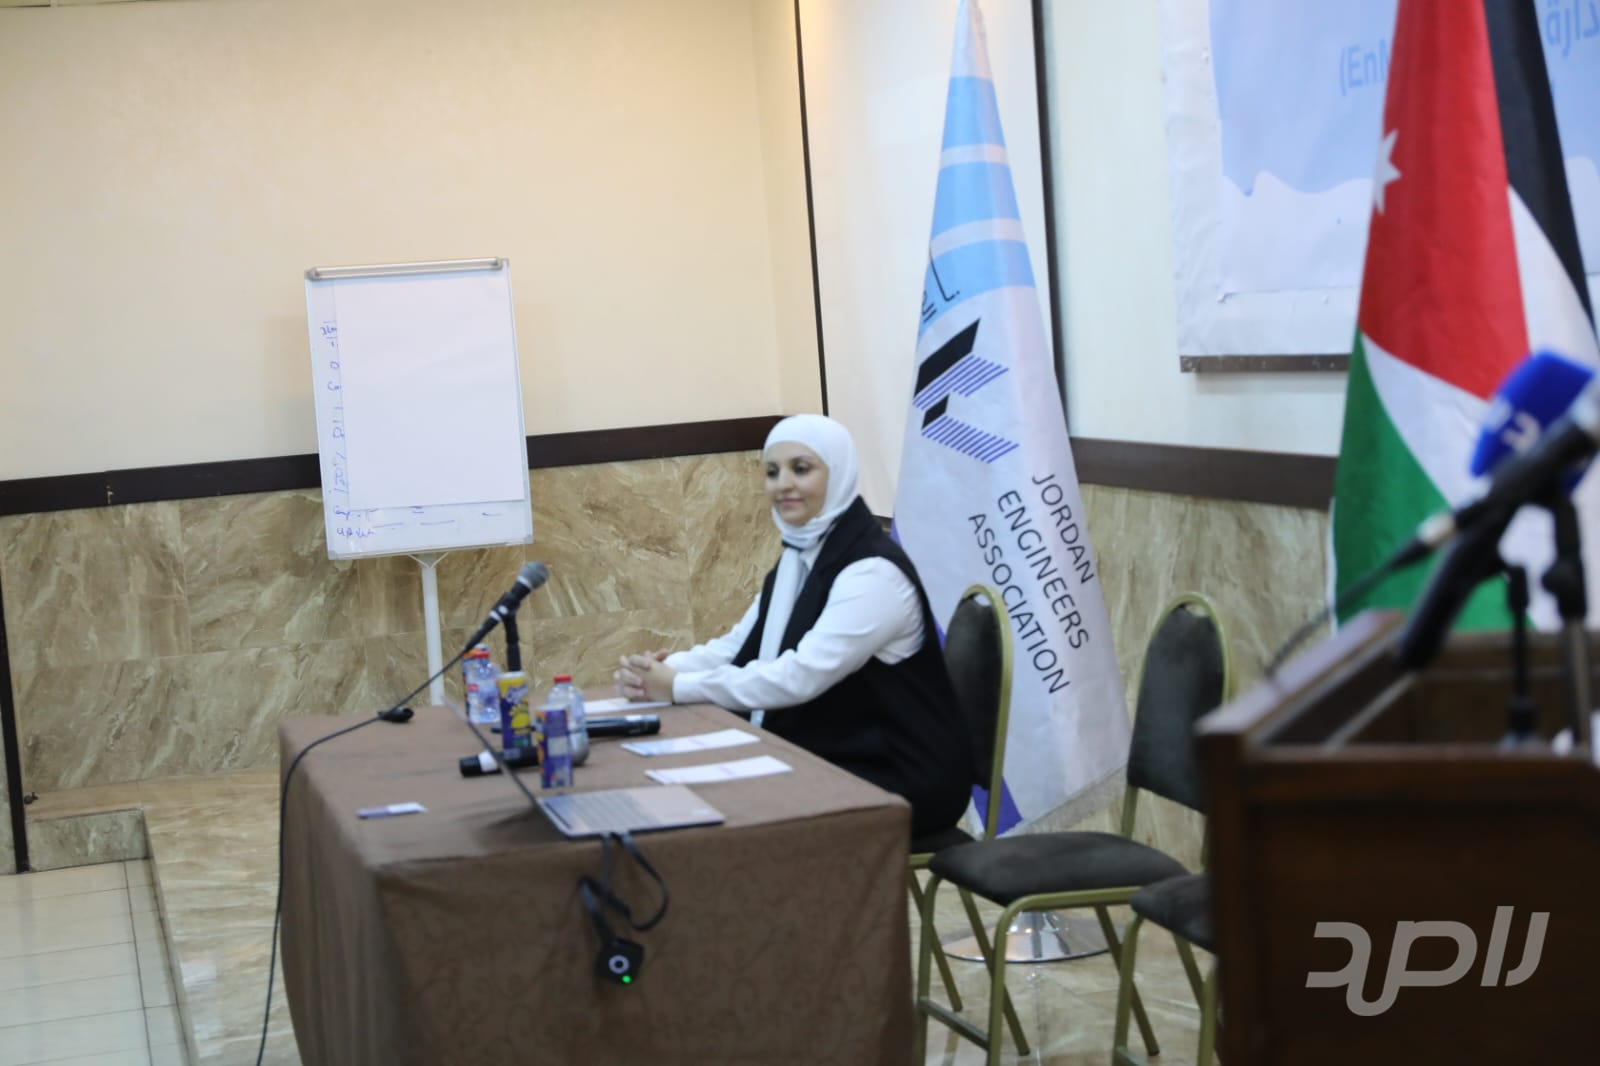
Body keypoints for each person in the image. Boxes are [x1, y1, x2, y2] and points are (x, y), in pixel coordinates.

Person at [615, 414, 980, 838]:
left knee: (725, 808)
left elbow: (799, 677)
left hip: (902, 775)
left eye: (801, 469)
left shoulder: (873, 574)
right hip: (841, 752)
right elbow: (739, 645)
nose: (783, 484)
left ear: (838, 473)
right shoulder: (799, 554)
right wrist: (661, 670)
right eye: (772, 472)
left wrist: (678, 687)